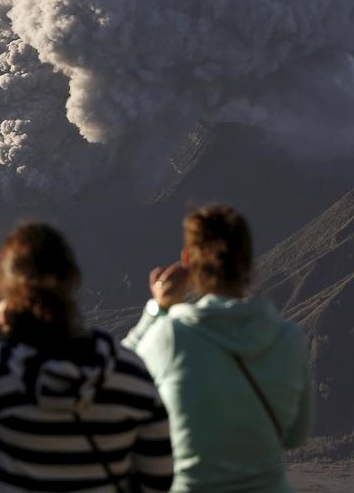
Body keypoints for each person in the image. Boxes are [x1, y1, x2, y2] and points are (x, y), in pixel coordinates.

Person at [0, 222, 174, 493]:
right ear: (73, 280)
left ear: (4, 289)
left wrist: (7, 342)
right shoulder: (129, 372)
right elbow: (159, 478)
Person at [123, 205, 314, 493]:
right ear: (249, 264)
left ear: (188, 261)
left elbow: (117, 371)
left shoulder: (172, 337)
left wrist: (158, 308)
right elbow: (296, 435)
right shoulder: (290, 339)